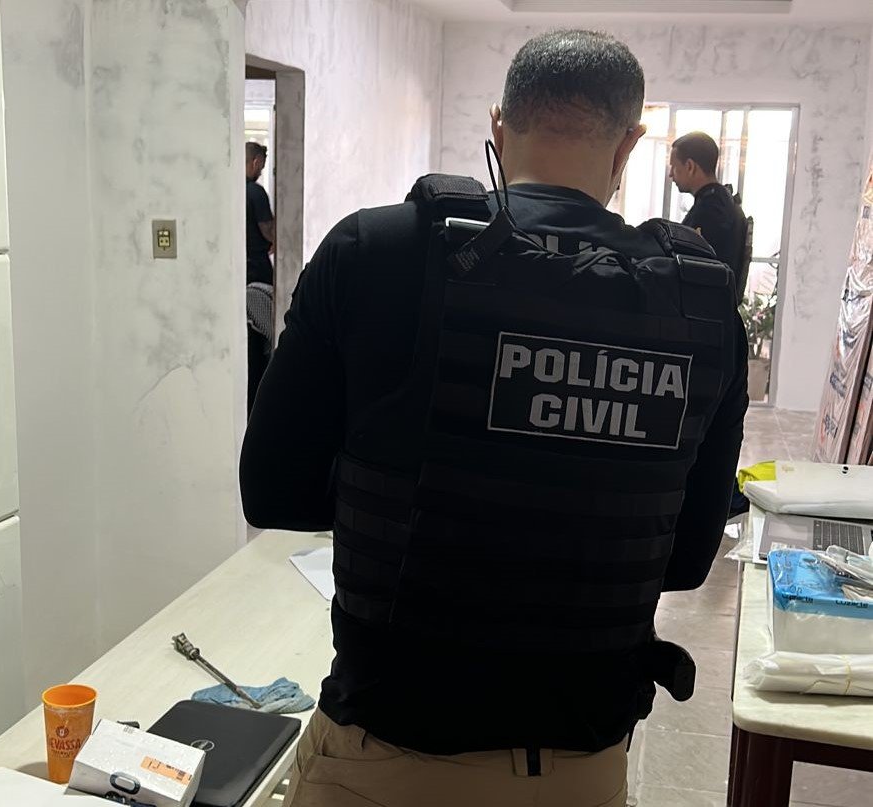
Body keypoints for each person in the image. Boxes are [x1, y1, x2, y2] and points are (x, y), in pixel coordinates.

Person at [241, 29, 747, 807]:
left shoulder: (373, 250)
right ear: (630, 143)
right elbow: (681, 561)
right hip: (583, 771)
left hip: (386, 759)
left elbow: (273, 492)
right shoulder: (702, 303)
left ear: (498, 127)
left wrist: (408, 486)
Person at [669, 131, 750, 297]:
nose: (671, 174)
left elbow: (689, 267)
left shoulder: (710, 212)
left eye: (674, 167)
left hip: (705, 306)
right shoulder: (724, 204)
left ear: (690, 166)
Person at [245, 141, 275, 412]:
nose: (261, 171)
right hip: (258, 276)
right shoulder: (255, 191)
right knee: (265, 345)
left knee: (248, 351)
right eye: (262, 166)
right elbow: (268, 229)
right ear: (255, 162)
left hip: (242, 278)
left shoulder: (233, 190)